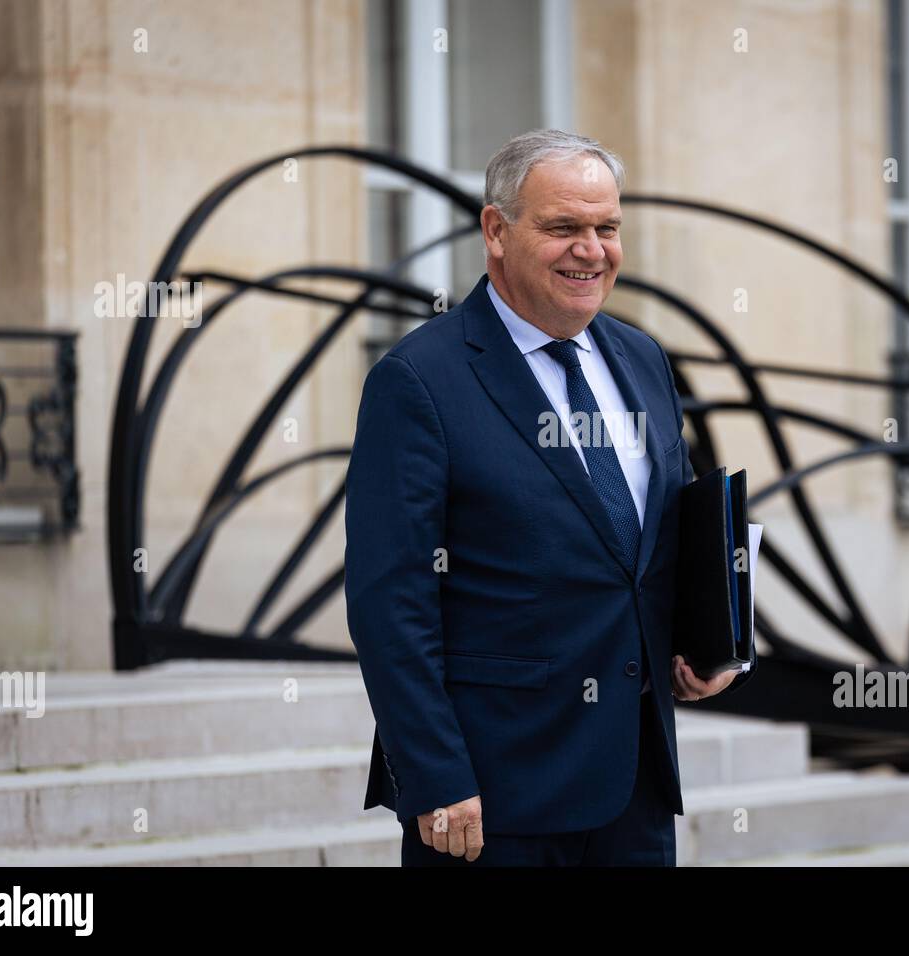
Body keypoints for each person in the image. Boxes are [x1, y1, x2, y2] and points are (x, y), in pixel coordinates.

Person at [344, 129, 756, 867]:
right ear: (496, 232)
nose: (591, 250)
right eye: (563, 227)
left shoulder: (643, 357)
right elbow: (388, 599)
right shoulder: (418, 379)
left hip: (634, 786)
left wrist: (708, 640)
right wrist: (434, 775)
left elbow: (661, 531)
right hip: (493, 796)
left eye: (607, 228)